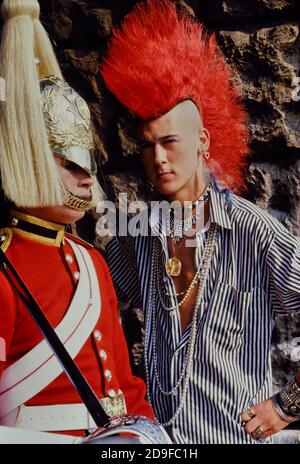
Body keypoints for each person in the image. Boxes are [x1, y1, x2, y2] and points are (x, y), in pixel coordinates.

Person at [102, 0, 300, 444]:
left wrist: (289, 405)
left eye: (170, 141)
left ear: (203, 141)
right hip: (155, 442)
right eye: (147, 145)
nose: (158, 158)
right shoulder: (137, 234)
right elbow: (96, 307)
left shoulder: (252, 230)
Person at [0, 0, 154, 441]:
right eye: (68, 163)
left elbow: (126, 392)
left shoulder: (91, 262)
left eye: (87, 162)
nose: (86, 178)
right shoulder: (5, 271)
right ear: (27, 161)